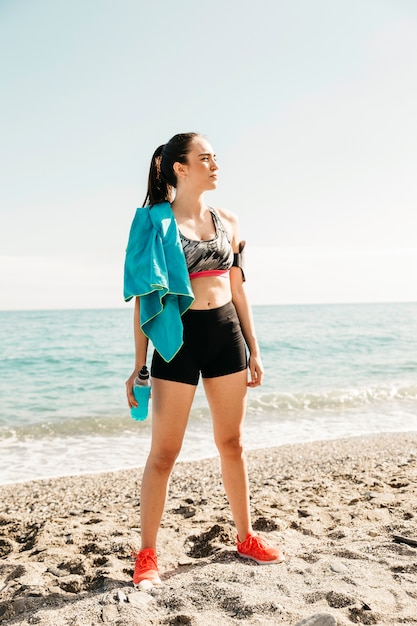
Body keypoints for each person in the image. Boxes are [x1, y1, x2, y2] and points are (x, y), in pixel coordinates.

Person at [124, 132, 285, 590]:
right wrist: (140, 363)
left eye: (216, 158)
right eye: (206, 158)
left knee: (231, 442)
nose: (216, 165)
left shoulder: (228, 220)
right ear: (180, 167)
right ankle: (147, 554)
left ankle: (246, 536)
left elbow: (237, 288)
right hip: (178, 340)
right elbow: (144, 298)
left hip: (225, 334)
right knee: (164, 453)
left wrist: (254, 348)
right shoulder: (155, 222)